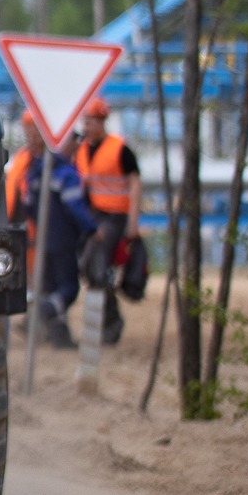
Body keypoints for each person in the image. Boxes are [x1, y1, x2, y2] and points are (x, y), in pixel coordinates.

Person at [7, 111, 94, 349]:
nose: (78, 145)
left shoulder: (37, 171)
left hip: (41, 239)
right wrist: (90, 229)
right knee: (68, 288)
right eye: (74, 139)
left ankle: (58, 337)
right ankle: (38, 315)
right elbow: (76, 208)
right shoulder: (65, 173)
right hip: (63, 240)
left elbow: (28, 206)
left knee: (48, 287)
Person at [73, 103, 141, 345]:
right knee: (90, 270)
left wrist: (133, 222)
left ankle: (109, 323)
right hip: (92, 216)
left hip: (114, 216)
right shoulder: (82, 150)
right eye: (85, 121)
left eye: (91, 121)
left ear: (102, 121)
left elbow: (134, 183)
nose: (86, 126)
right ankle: (105, 322)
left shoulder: (120, 149)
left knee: (97, 269)